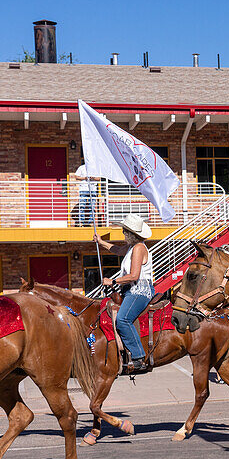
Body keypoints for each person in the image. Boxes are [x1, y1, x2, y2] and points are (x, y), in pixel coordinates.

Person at [94, 213, 155, 375]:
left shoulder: (139, 248)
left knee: (122, 319)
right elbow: (117, 250)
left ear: (131, 234)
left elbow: (134, 275)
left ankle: (139, 357)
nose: (122, 233)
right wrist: (101, 242)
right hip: (131, 289)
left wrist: (112, 282)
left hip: (139, 290)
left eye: (124, 231)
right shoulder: (131, 248)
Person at [70, 159, 98, 227]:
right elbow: (76, 177)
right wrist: (85, 178)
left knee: (92, 206)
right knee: (82, 205)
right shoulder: (82, 167)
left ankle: (90, 222)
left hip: (92, 189)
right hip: (83, 188)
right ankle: (81, 222)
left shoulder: (95, 168)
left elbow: (99, 178)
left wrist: (93, 178)